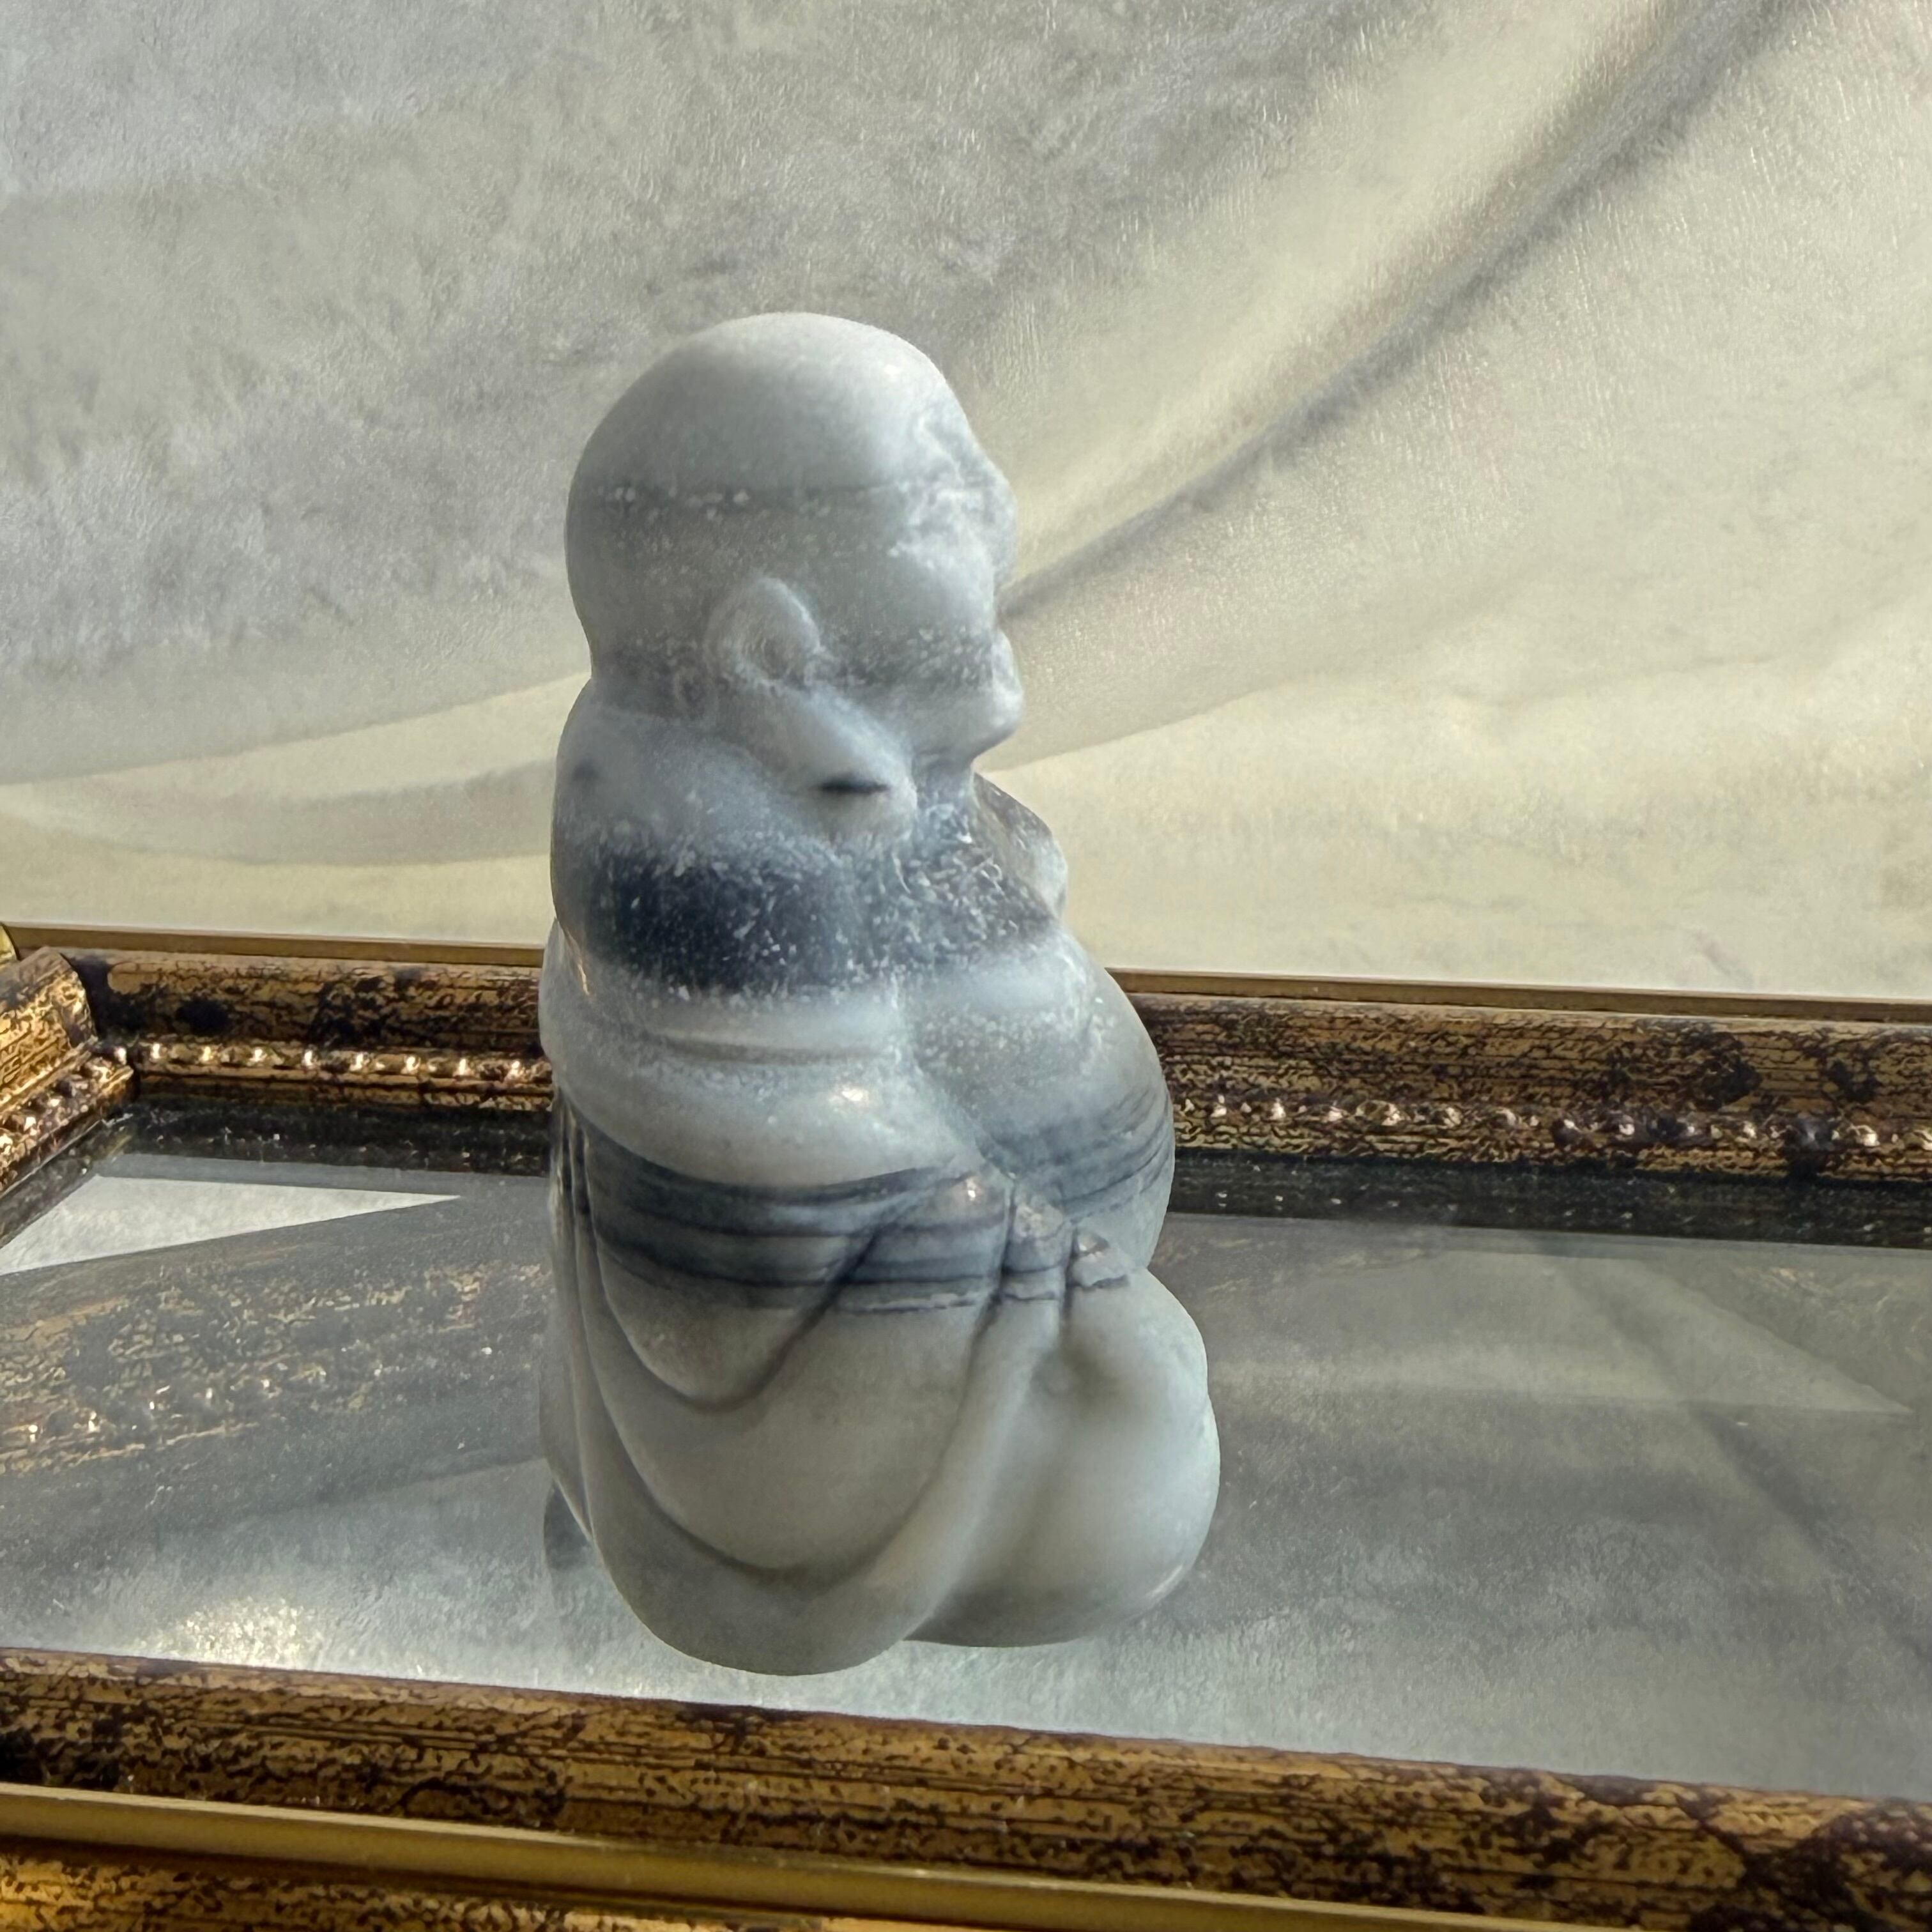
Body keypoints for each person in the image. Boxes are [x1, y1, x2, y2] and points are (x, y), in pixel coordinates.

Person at [540, 313, 1218, 1673]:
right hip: (834, 1401)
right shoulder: (674, 816)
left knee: (1149, 1401)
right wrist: (1055, 1288)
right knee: (1147, 1436)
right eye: (942, 494)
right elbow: (794, 1187)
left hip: (983, 1319)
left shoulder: (843, 759)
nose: (997, 504)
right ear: (769, 653)